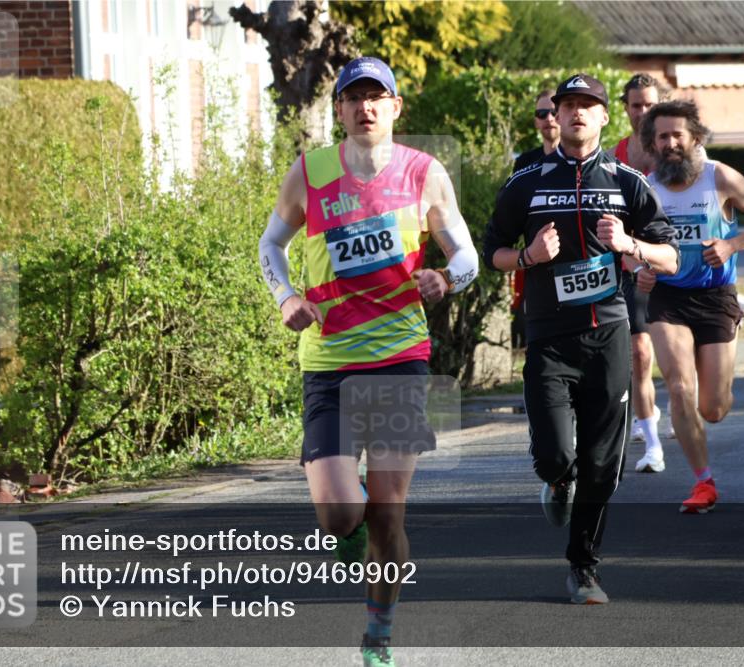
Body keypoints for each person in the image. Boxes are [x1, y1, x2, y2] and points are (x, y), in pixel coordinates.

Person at [259, 56, 478, 666]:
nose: (365, 107)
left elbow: (466, 255)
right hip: (328, 358)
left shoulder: (424, 173)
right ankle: (358, 540)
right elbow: (270, 243)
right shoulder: (310, 172)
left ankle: (378, 627)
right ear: (338, 110)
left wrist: (444, 278)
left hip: (398, 356)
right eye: (353, 98)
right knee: (337, 515)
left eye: (376, 96)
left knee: (387, 515)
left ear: (395, 106)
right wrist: (286, 296)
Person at [483, 73, 679, 604]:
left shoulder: (625, 182)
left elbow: (671, 256)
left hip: (608, 335)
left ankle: (583, 568)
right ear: (558, 114)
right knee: (556, 455)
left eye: (587, 105)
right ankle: (555, 479)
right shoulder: (527, 180)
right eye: (568, 105)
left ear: (603, 117)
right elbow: (492, 251)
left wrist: (631, 243)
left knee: (601, 463)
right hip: (548, 337)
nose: (576, 113)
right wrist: (528, 257)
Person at [635, 100, 744, 514]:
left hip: (716, 297)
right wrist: (640, 268)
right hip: (668, 298)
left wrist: (732, 243)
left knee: (713, 408)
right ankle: (703, 483)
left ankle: (710, 393)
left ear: (694, 137)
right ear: (652, 143)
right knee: (679, 388)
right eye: (662, 136)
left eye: (678, 134)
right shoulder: (647, 188)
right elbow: (628, 246)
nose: (670, 143)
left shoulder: (720, 177)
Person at [609, 74, 667, 472]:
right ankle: (652, 445)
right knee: (640, 352)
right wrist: (635, 262)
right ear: (625, 108)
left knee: (686, 369)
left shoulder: (674, 150)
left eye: (649, 105)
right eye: (635, 105)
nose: (642, 112)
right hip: (634, 267)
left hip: (677, 267)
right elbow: (615, 221)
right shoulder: (615, 156)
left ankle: (676, 400)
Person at [510, 89, 561, 348]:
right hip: (536, 258)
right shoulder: (525, 163)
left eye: (553, 112)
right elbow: (512, 209)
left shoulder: (578, 159)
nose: (549, 118)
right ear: (536, 121)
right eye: (542, 114)